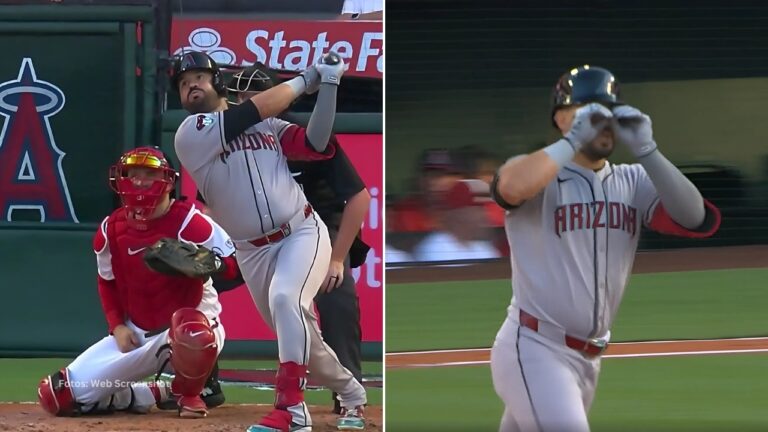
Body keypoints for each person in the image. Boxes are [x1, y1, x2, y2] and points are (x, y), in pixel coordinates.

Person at [489, 65, 721, 432]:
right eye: (590, 111)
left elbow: (694, 216)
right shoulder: (536, 172)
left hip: (588, 359)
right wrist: (570, 142)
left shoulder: (632, 180)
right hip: (535, 348)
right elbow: (511, 188)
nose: (603, 123)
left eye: (608, 113)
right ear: (562, 119)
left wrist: (647, 149)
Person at [171, 51, 367, 432]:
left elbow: (316, 143)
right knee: (303, 337)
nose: (191, 85)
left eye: (199, 77)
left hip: (300, 232)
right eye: (182, 83)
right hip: (252, 252)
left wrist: (328, 85)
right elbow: (250, 111)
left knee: (285, 300)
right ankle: (352, 393)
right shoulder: (191, 132)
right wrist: (309, 77)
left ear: (218, 84)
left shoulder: (269, 128)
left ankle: (291, 410)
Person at [37, 147, 239, 418]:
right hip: (137, 332)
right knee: (57, 395)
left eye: (149, 174)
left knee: (193, 332)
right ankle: (156, 392)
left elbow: (235, 265)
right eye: (133, 175)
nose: (140, 181)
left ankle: (191, 392)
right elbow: (106, 282)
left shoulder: (190, 222)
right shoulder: (111, 229)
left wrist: (211, 264)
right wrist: (117, 326)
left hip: (187, 326)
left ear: (168, 181)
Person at [227, 64, 372, 416]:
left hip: (316, 228)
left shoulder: (297, 134)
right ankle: (198, 383)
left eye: (254, 95)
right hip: (256, 240)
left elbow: (359, 197)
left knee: (335, 296)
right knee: (198, 278)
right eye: (240, 97)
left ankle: (345, 392)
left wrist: (338, 259)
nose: (246, 102)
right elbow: (214, 203)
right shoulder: (224, 140)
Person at [412, 179, 500, 263]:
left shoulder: (485, 249)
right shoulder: (435, 248)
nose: (484, 216)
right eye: (478, 209)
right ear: (458, 214)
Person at [390, 148, 462, 232]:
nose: (441, 182)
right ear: (421, 180)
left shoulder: (468, 212)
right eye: (434, 175)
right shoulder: (405, 211)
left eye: (448, 175)